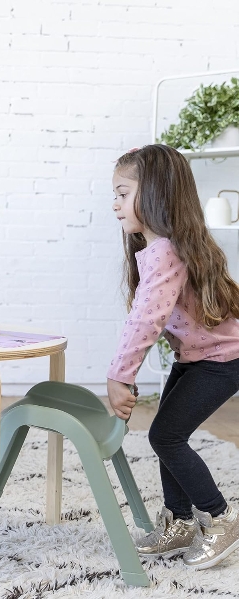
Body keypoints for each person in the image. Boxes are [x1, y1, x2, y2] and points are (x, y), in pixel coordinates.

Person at [107, 144, 239, 570]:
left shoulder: (166, 251)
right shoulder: (163, 247)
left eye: (123, 194)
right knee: (166, 434)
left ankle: (220, 519)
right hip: (198, 357)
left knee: (165, 436)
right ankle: (180, 521)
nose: (115, 205)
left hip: (222, 360)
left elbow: (146, 319)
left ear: (155, 194)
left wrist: (119, 374)